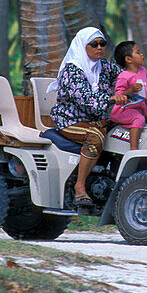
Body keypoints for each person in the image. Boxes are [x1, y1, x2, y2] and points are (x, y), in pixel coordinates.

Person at [51, 27, 131, 206]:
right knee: (95, 137)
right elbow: (86, 100)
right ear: (82, 46)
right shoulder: (72, 70)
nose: (100, 48)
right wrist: (112, 98)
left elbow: (128, 80)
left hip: (96, 119)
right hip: (71, 120)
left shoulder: (105, 67)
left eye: (103, 44)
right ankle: (80, 188)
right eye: (94, 44)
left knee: (123, 131)